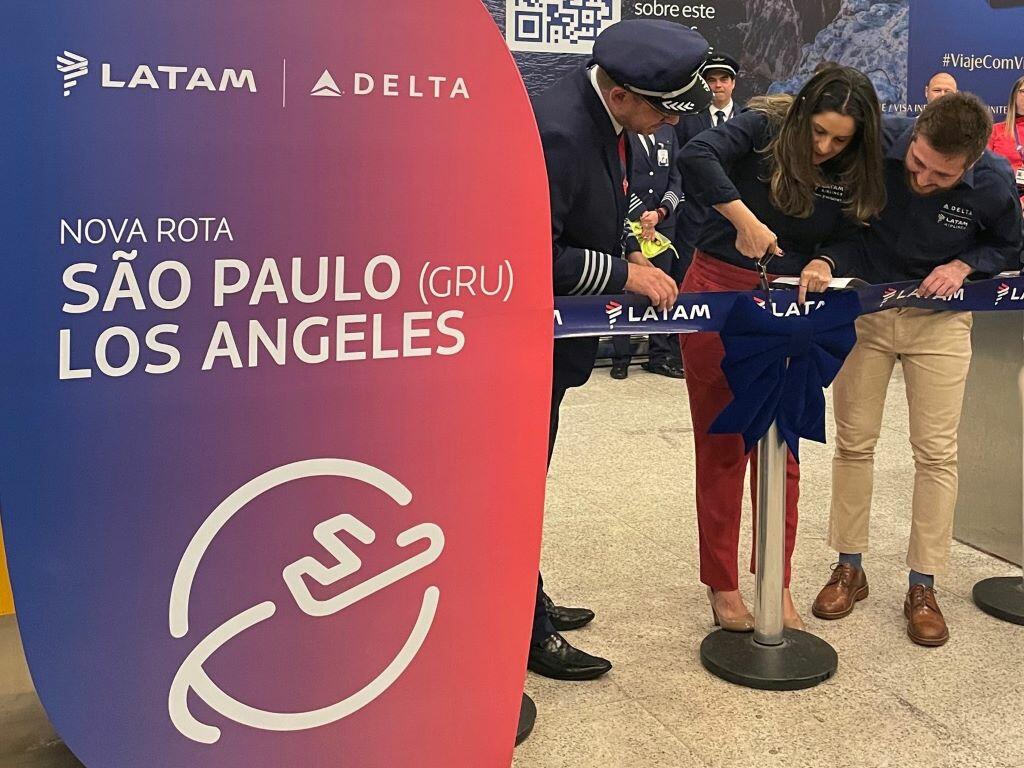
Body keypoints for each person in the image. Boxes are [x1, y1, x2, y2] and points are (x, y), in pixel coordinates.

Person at [527, 19, 712, 681]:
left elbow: (606, 196)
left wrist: (630, 239)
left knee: (528, 488)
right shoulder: (559, 130)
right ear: (624, 94)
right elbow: (528, 255)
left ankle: (527, 596)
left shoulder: (601, 118)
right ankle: (526, 629)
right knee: (517, 494)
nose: (666, 124)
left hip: (555, 350)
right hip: (526, 353)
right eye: (662, 110)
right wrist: (623, 273)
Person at [678, 66, 886, 632]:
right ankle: (722, 583)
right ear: (801, 117)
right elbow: (696, 156)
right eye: (818, 133)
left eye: (840, 140)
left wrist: (827, 261)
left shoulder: (855, 162)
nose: (825, 148)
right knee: (724, 441)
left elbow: (857, 234)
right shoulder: (762, 124)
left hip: (793, 307)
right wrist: (742, 220)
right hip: (720, 289)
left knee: (785, 447)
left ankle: (777, 578)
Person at [812, 92, 1024, 647]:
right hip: (868, 313)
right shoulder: (878, 146)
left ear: (972, 163)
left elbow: (1007, 247)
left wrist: (965, 263)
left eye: (942, 173)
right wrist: (827, 260)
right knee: (855, 442)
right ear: (914, 136)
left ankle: (923, 584)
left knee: (936, 453)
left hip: (942, 322)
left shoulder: (996, 182)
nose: (924, 178)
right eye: (918, 163)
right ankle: (848, 567)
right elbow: (840, 223)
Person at [610, 125, 685, 379]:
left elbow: (676, 178)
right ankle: (621, 356)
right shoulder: (626, 132)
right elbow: (619, 178)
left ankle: (659, 354)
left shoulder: (668, 133)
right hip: (630, 222)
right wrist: (641, 214)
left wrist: (661, 212)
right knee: (626, 287)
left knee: (661, 287)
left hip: (663, 226)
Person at [673, 53, 742, 280]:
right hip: (693, 213)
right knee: (685, 275)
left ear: (733, 83)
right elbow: (677, 161)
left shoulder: (748, 119)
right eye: (712, 80)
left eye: (724, 79)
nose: (718, 85)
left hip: (735, 218)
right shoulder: (686, 118)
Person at [987, 74, 1024, 205]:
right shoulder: (995, 131)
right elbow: (985, 170)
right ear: (1014, 95)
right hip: (1001, 196)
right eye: (1023, 91)